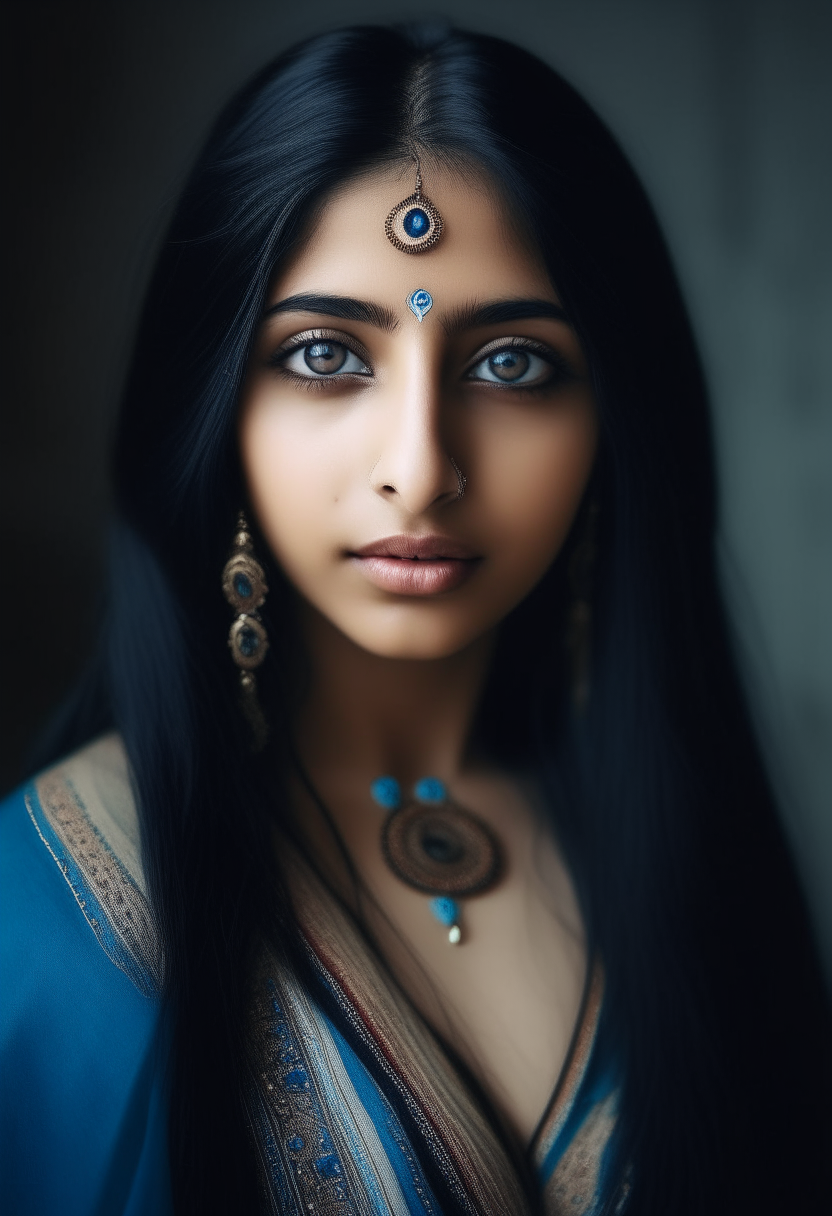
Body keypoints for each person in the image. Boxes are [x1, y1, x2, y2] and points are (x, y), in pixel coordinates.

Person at [1, 20, 828, 1216]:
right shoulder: (47, 919)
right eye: (328, 355)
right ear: (218, 407)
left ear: (614, 424)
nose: (421, 465)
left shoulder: (674, 839)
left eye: (510, 367)